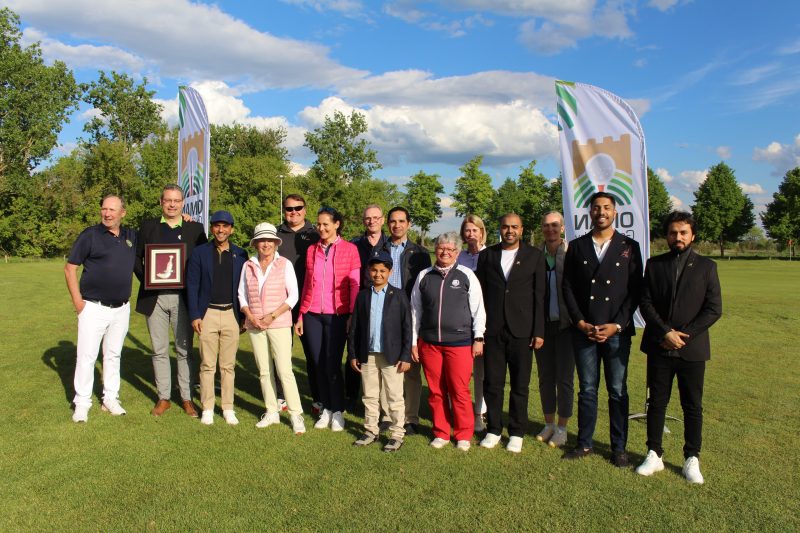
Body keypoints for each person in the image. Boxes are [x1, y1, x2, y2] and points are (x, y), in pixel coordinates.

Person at [635, 211, 722, 484]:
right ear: (667, 236)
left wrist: (685, 335)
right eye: (673, 233)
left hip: (692, 349)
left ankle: (691, 458)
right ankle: (654, 453)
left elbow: (714, 309)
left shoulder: (707, 267)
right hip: (660, 345)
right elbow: (645, 302)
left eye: (683, 232)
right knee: (656, 402)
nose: (678, 237)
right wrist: (666, 332)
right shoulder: (654, 265)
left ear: (692, 235)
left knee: (692, 405)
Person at [561, 192, 643, 467]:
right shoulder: (577, 246)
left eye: (606, 207)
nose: (601, 212)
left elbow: (635, 291)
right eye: (596, 208)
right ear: (590, 212)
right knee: (587, 389)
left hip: (616, 332)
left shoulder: (629, 246)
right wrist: (580, 322)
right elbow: (568, 287)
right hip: (585, 330)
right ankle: (584, 443)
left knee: (617, 390)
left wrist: (617, 325)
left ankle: (619, 448)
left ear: (615, 212)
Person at [134, 184, 207, 418]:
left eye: (176, 201)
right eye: (168, 200)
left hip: (184, 299)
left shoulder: (194, 229)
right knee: (159, 350)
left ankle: (186, 397)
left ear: (183, 203)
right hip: (153, 298)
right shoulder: (148, 226)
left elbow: (204, 260)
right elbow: (136, 258)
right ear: (161, 202)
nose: (172, 204)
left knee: (184, 350)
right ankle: (163, 397)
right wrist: (148, 279)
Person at [476, 214, 545, 453]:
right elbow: (480, 295)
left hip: (522, 330)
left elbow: (540, 296)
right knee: (492, 383)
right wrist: (479, 330)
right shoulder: (487, 255)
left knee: (520, 385)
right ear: (499, 229)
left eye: (514, 227)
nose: (509, 231)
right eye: (505, 227)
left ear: (521, 230)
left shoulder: (534, 256)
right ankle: (494, 429)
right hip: (493, 330)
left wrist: (538, 331)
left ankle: (516, 432)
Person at [411, 232, 486, 451]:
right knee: (436, 390)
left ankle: (463, 434)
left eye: (450, 249)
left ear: (458, 252)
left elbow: (478, 310)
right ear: (435, 250)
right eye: (441, 248)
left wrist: (478, 337)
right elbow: (415, 310)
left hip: (460, 343)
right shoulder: (424, 275)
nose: (445, 252)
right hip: (430, 343)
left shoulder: (466, 275)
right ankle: (441, 432)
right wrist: (414, 341)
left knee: (459, 390)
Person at [65, 195, 137, 423]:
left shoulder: (130, 236)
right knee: (87, 356)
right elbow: (70, 268)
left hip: (121, 308)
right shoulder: (90, 235)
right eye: (104, 209)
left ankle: (110, 398)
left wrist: (184, 217)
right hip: (93, 308)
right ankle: (82, 403)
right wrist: (78, 303)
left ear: (122, 213)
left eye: (112, 210)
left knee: (113, 355)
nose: (107, 213)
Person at [295, 207, 360, 432]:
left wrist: (351, 314)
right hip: (312, 314)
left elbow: (355, 285)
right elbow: (307, 283)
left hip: (337, 316)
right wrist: (301, 314)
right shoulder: (312, 250)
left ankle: (337, 410)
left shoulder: (350, 249)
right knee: (317, 363)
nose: (321, 228)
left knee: (332, 364)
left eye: (325, 224)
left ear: (336, 224)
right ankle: (325, 408)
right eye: (319, 225)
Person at [238, 222, 306, 435]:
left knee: (284, 370)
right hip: (255, 324)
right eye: (261, 241)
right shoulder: (248, 265)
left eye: (269, 240)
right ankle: (271, 411)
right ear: (256, 244)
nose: (265, 244)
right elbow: (242, 295)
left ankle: (295, 414)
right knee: (264, 371)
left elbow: (293, 296)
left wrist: (272, 316)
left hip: (279, 323)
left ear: (276, 243)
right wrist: (251, 316)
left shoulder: (284, 264)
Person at [186, 210, 248, 426]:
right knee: (207, 365)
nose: (221, 230)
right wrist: (195, 314)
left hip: (231, 313)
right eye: (217, 226)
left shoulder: (241, 254)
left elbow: (245, 287)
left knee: (228, 366)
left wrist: (243, 316)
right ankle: (208, 408)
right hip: (208, 314)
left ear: (231, 229)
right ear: (212, 228)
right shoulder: (199, 253)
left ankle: (228, 407)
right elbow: (192, 285)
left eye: (225, 226)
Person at [348, 252, 412, 452]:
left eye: (382, 271)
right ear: (369, 271)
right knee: (369, 395)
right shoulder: (363, 296)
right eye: (374, 270)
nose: (378, 274)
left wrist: (405, 355)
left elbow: (407, 328)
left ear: (390, 272)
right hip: (368, 354)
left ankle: (397, 433)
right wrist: (353, 354)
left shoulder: (399, 295)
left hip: (392, 356)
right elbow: (355, 328)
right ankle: (370, 430)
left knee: (394, 395)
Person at [381, 206, 431, 435]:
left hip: (410, 315)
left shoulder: (420, 253)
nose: (397, 225)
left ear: (409, 224)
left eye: (401, 221)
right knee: (386, 367)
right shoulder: (379, 249)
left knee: (410, 369)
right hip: (384, 314)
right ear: (388, 224)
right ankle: (387, 415)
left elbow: (425, 287)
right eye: (393, 221)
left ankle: (411, 417)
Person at [533, 211, 575, 448]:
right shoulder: (535, 255)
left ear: (562, 228)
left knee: (564, 379)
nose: (550, 229)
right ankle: (548, 424)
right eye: (546, 225)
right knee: (545, 378)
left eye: (554, 225)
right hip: (542, 327)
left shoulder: (571, 253)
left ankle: (562, 428)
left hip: (566, 327)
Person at [277, 194, 321, 413]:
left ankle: (318, 398)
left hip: (308, 303)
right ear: (284, 211)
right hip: (282, 303)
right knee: (281, 353)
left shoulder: (316, 234)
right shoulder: (276, 235)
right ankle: (280, 396)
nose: (293, 212)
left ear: (305, 209)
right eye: (289, 209)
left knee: (313, 354)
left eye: (298, 208)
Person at [346, 204, 388, 412]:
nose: (372, 221)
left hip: (384, 303)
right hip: (360, 304)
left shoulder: (389, 244)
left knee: (381, 353)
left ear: (382, 220)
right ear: (364, 221)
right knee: (355, 350)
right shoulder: (354, 245)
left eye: (376, 217)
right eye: (368, 218)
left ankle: (383, 401)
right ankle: (351, 396)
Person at [457, 214, 488, 432]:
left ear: (482, 232)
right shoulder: (459, 257)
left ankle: (480, 413)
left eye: (475, 230)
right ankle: (460, 411)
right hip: (461, 321)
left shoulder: (491, 255)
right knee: (461, 371)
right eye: (467, 230)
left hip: (484, 320)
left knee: (481, 372)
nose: (471, 234)